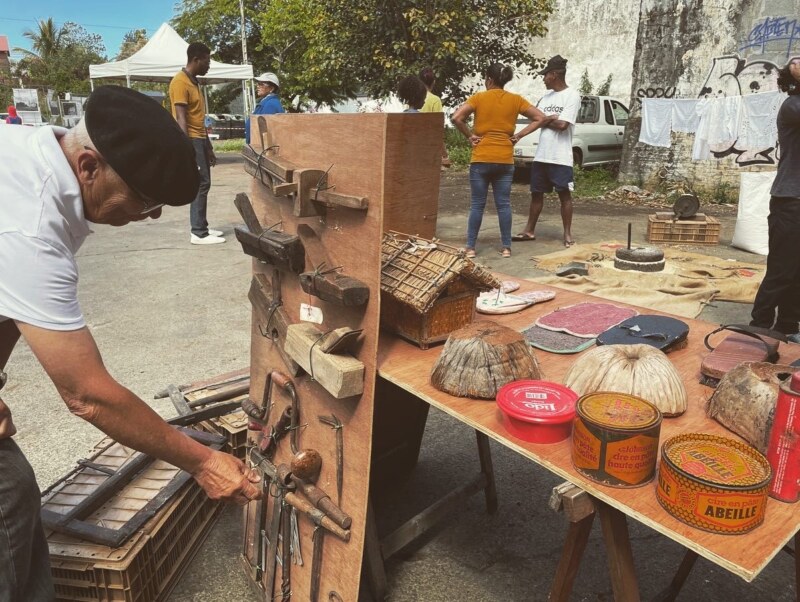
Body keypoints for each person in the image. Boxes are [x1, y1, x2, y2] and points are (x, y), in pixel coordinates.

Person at [0, 85, 262, 601]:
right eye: (145, 200)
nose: (154, 216)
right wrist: (204, 461)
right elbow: (86, 394)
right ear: (90, 165)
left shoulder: (37, 161)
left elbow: (9, 299)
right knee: (6, 494)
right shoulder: (30, 219)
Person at [451, 63, 546, 258]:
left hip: (481, 158)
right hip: (505, 159)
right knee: (503, 204)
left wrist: (470, 136)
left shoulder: (479, 97)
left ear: (489, 79)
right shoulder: (516, 100)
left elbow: (456, 117)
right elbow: (540, 118)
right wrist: (518, 136)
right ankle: (506, 248)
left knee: (477, 204)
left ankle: (470, 248)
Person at [750, 56, 800, 342]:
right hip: (790, 202)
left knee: (798, 271)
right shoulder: (792, 106)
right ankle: (759, 327)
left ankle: (789, 327)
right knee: (782, 270)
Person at [514, 55, 581, 247]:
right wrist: (520, 135)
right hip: (542, 154)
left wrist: (544, 120)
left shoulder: (572, 95)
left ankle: (567, 234)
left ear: (554, 75)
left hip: (560, 157)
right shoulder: (545, 97)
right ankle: (529, 230)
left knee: (564, 195)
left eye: (545, 75)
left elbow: (562, 125)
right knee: (536, 193)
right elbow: (535, 120)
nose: (543, 79)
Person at [169, 42, 225, 245]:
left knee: (205, 183)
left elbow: (199, 119)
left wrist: (208, 147)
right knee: (201, 183)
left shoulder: (194, 83)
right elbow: (180, 118)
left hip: (199, 139)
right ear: (196, 60)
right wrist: (187, 148)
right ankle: (198, 232)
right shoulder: (180, 82)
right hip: (190, 139)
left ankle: (203, 226)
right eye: (207, 61)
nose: (209, 65)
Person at [419, 67, 451, 166]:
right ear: (433, 82)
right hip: (429, 149)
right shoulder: (435, 100)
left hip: (413, 147)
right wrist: (445, 155)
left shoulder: (411, 100)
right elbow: (437, 130)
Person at [245, 72, 285, 144]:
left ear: (271, 88)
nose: (258, 86)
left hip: (262, 149)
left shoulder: (271, 104)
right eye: (258, 83)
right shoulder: (266, 102)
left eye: (261, 84)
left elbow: (265, 131)